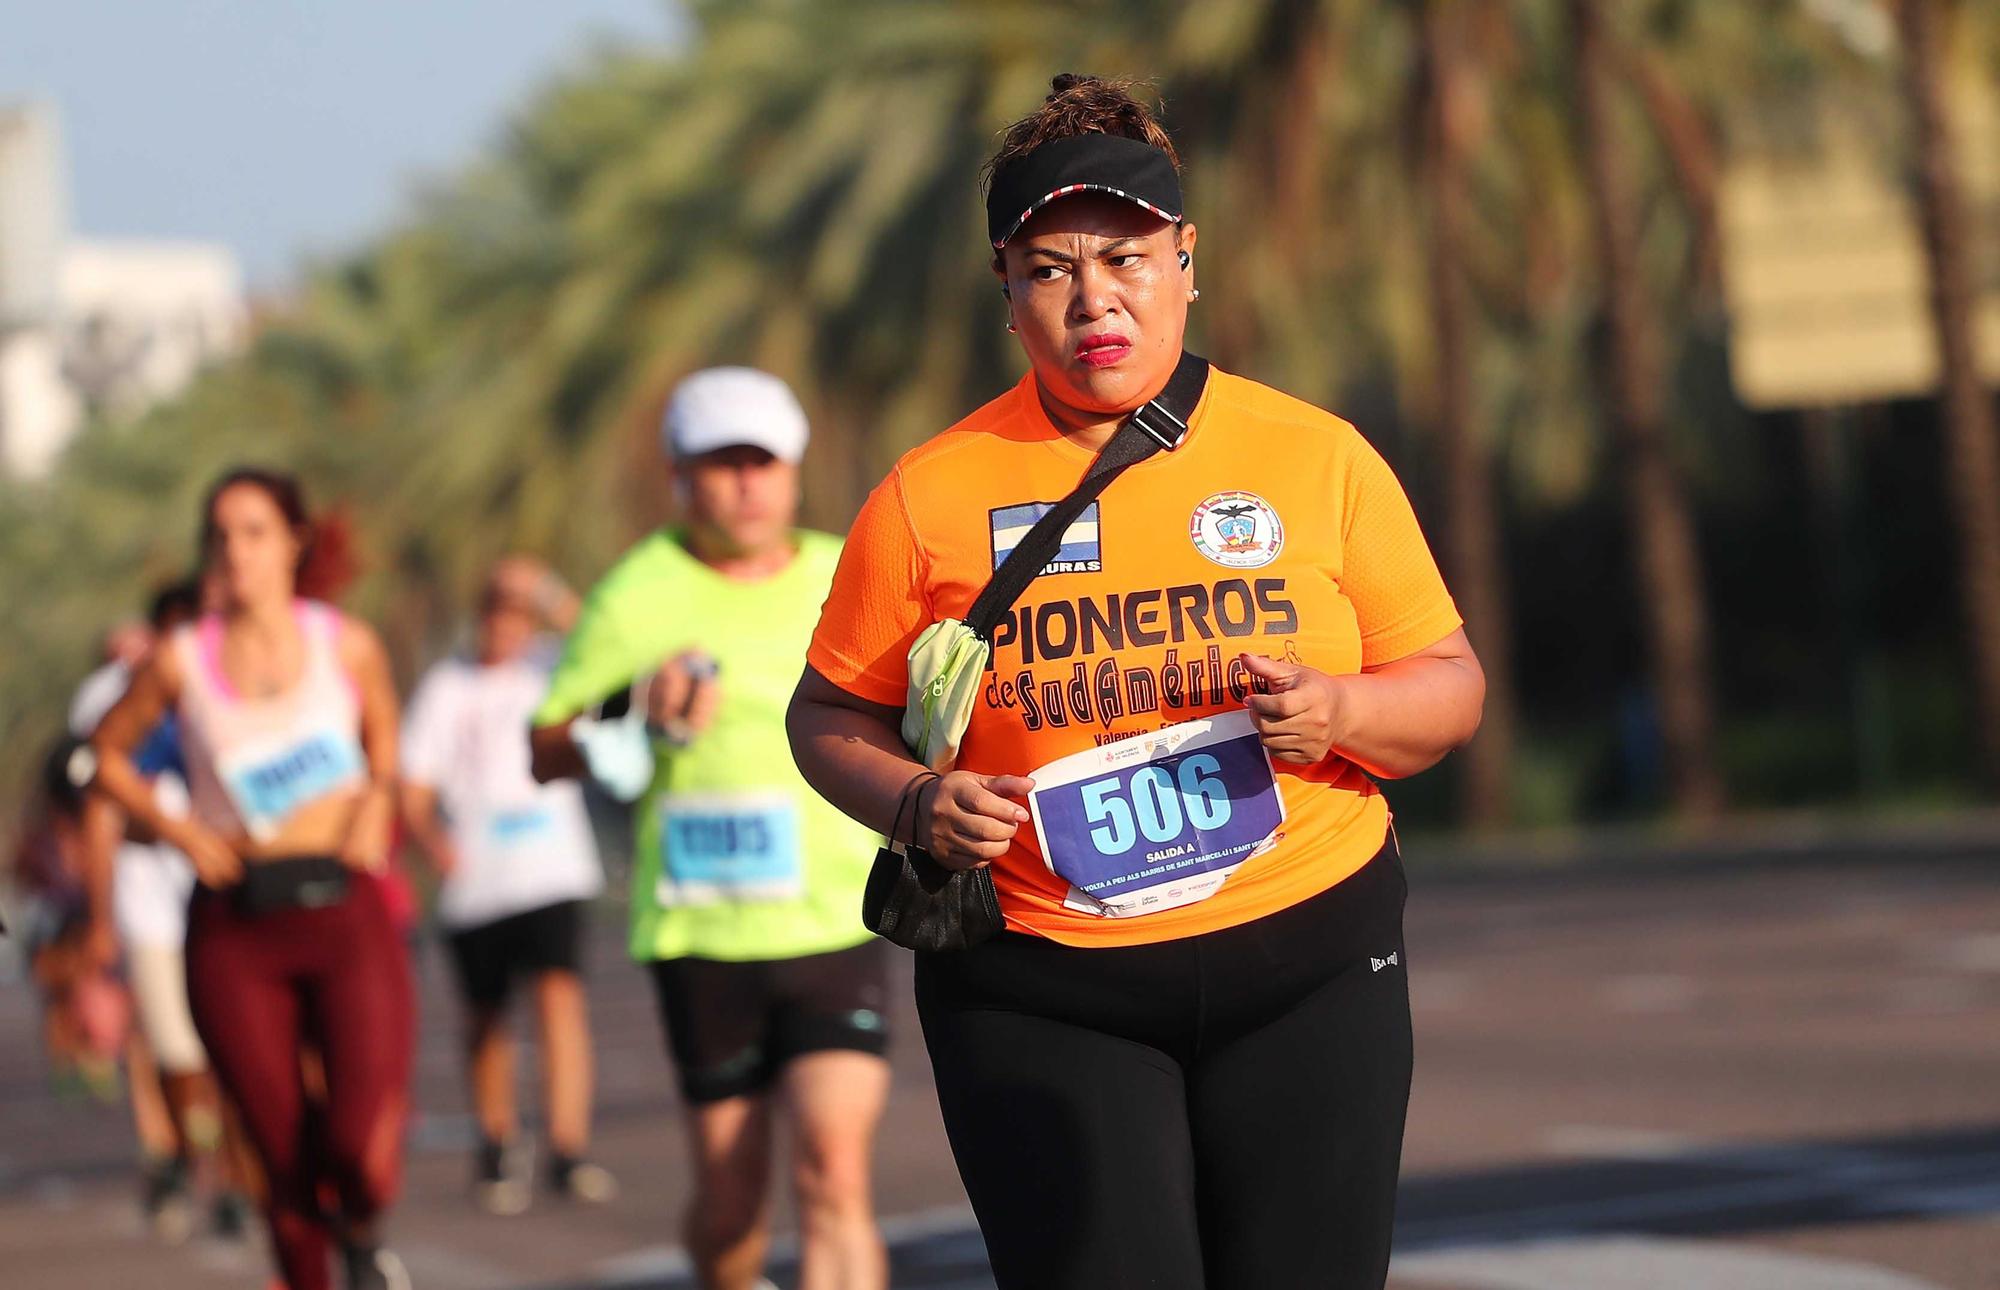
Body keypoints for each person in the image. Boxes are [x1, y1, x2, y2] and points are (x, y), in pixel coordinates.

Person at [787, 75, 1486, 1290]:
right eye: (1048, 268)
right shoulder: (929, 495)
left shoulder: (1312, 456)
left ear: (1184, 258)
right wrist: (913, 803)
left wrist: (1340, 710)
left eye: (1125, 257)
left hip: (1307, 966)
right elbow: (826, 713)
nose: (1091, 298)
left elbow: (1446, 684)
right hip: (1042, 994)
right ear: (1005, 291)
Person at [529, 367, 890, 1290]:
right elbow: (544, 748)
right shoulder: (635, 593)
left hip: (833, 921)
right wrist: (630, 704)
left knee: (835, 1171)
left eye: (760, 463)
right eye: (718, 465)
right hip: (704, 936)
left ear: (795, 472)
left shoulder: (846, 573)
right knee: (733, 1201)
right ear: (678, 477)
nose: (743, 485)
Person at [90, 467, 416, 1290]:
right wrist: (177, 829)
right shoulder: (179, 660)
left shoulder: (345, 643)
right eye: (221, 535)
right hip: (237, 926)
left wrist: (376, 798)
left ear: (294, 543)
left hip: (344, 910)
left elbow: (382, 725)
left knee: (352, 1137)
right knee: (280, 1156)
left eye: (255, 531)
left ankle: (365, 1223)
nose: (236, 551)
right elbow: (105, 755)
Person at [401, 558, 616, 1214]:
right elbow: (413, 786)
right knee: (487, 1018)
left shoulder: (551, 666)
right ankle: (496, 1144)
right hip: (479, 884)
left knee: (559, 1001)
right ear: (480, 617)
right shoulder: (446, 687)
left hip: (552, 870)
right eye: (497, 613)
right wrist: (434, 845)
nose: (506, 628)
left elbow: (608, 639)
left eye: (517, 615)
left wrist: (547, 588)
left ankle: (567, 1147)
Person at [71, 584, 257, 1242]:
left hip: (241, 896)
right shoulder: (114, 702)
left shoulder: (250, 670)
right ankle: (194, 1158)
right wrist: (99, 917)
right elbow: (103, 800)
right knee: (178, 1051)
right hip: (153, 906)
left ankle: (237, 1178)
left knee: (238, 1049)